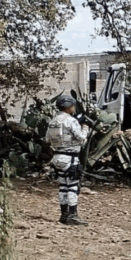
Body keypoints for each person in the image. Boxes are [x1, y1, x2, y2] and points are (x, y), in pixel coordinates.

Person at [45, 95, 89, 226]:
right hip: (70, 158)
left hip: (57, 157)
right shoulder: (71, 121)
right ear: (69, 107)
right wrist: (85, 127)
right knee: (73, 186)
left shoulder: (53, 121)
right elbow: (81, 138)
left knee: (63, 186)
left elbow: (47, 139)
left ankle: (63, 215)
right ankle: (73, 215)